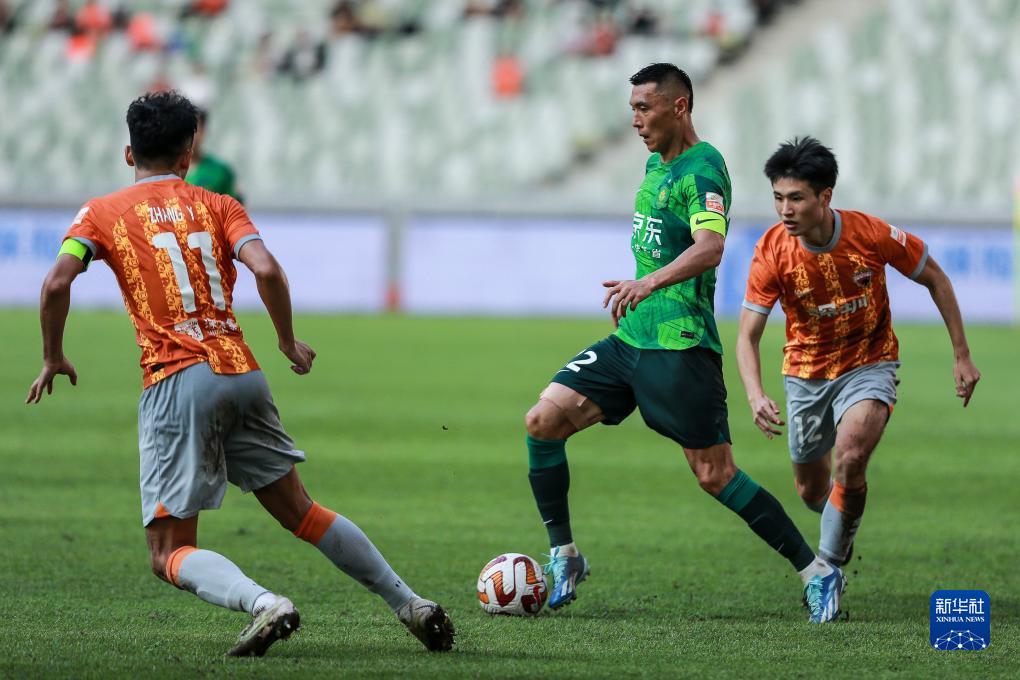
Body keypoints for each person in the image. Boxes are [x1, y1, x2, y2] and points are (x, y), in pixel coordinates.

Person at [25, 91, 454, 656]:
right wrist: (286, 341)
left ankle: (264, 604)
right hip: (242, 371)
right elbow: (267, 269)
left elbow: (57, 283)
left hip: (176, 379)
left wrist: (53, 355)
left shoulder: (100, 213)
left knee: (167, 552)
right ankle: (410, 603)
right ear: (189, 152)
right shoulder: (220, 204)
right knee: (302, 512)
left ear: (128, 153)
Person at [524, 63, 843, 623]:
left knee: (715, 475)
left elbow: (710, 247)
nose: (635, 120)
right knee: (542, 422)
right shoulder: (655, 164)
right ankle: (565, 555)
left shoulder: (703, 169)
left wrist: (646, 283)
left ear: (679, 107)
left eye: (643, 108)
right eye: (632, 109)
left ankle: (816, 572)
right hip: (631, 338)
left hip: (680, 346)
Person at [735, 136, 980, 611]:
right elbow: (747, 336)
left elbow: (935, 277)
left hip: (870, 363)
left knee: (850, 457)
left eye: (796, 198)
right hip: (805, 375)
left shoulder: (870, 234)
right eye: (778, 198)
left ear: (825, 196)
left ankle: (827, 568)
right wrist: (754, 393)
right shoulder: (771, 251)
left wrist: (962, 355)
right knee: (811, 490)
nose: (785, 210)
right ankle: (844, 518)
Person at [185, 107, 243, 202]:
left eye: (194, 128)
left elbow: (236, 207)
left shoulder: (220, 172)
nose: (188, 134)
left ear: (203, 131)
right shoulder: (166, 171)